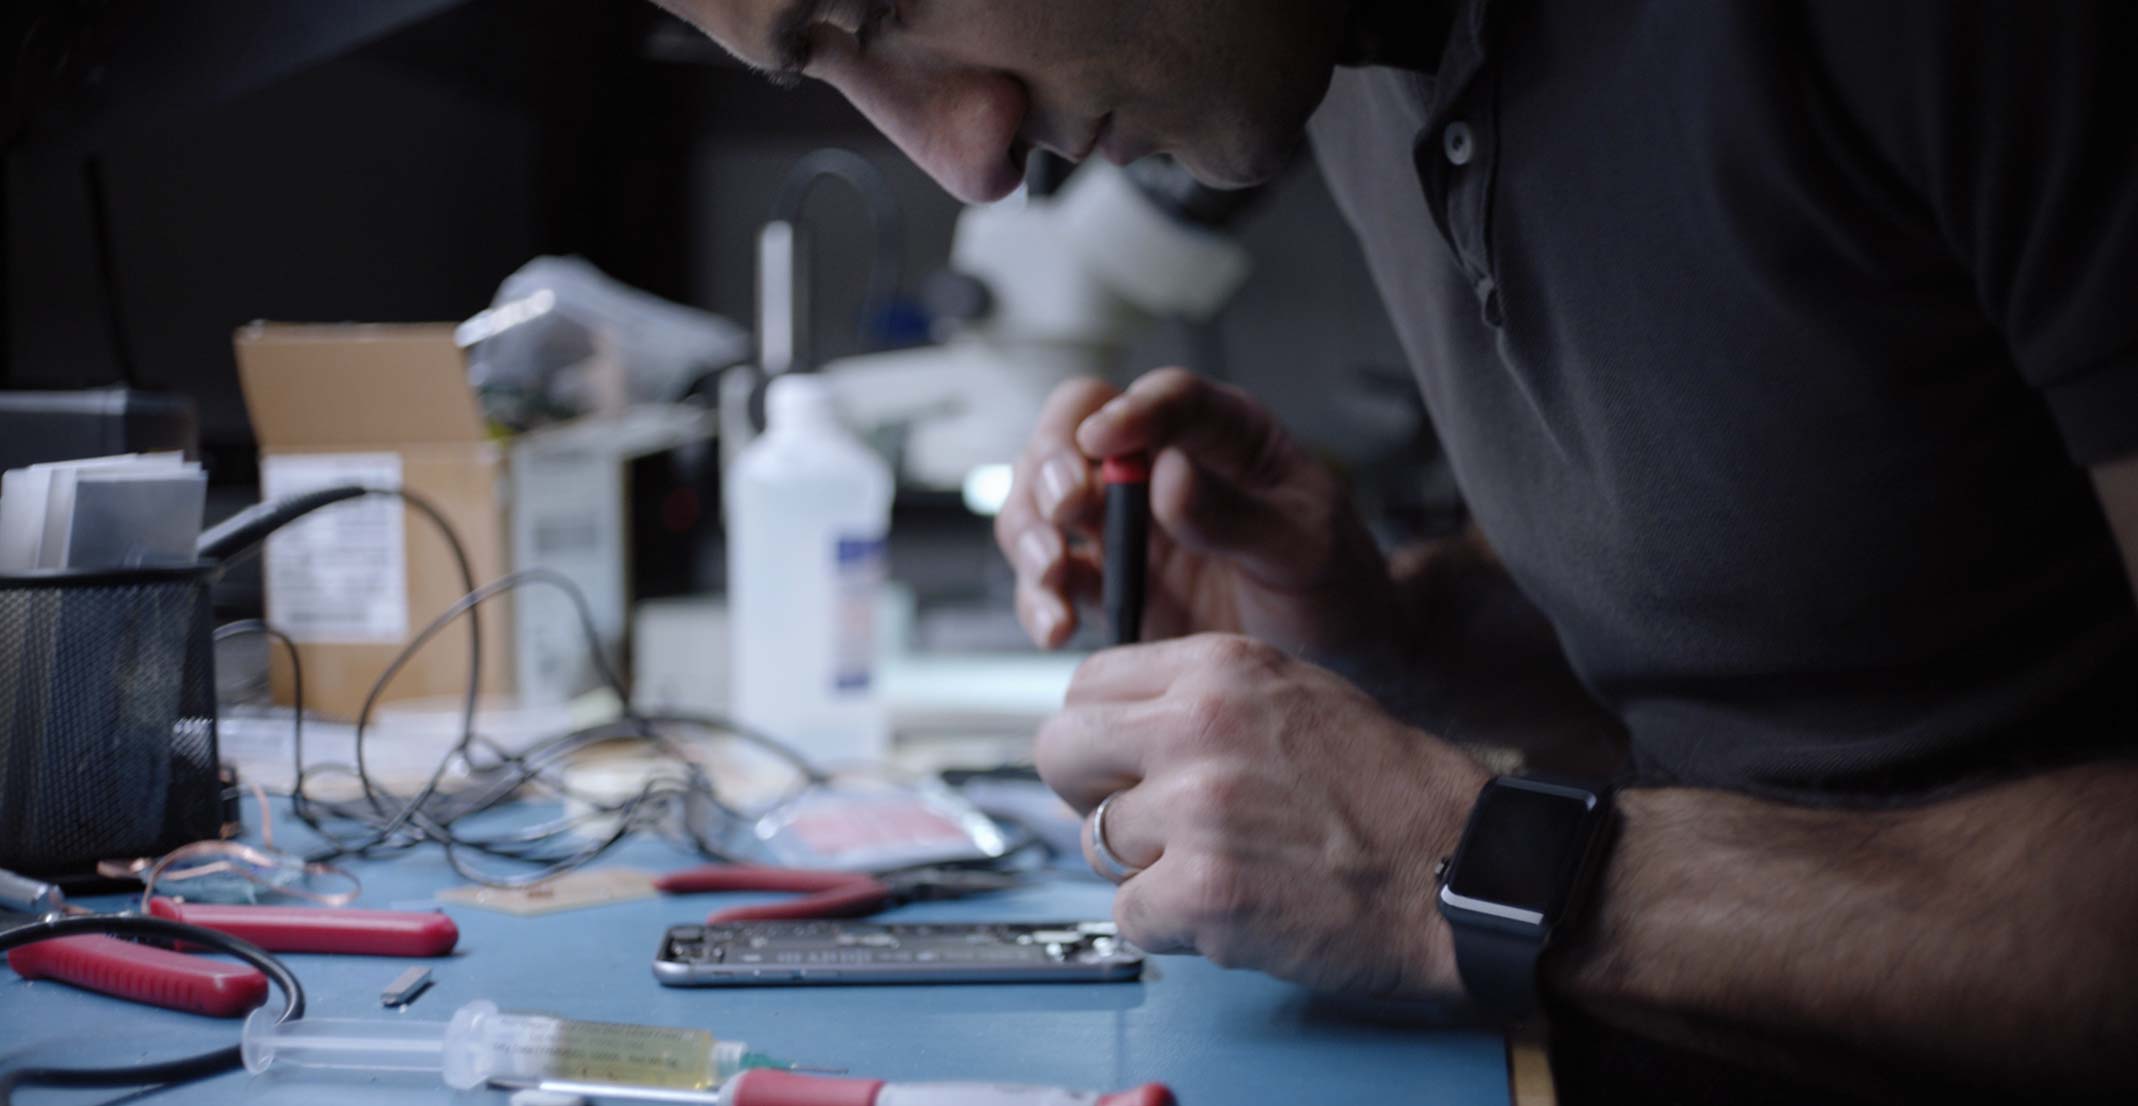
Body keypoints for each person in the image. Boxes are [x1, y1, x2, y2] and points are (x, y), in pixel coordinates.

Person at [652, 0, 2138, 1098]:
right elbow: (1799, 643)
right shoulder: (1335, 62)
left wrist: (1484, 868)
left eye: (880, 11)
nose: (966, 158)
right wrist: (1382, 631)